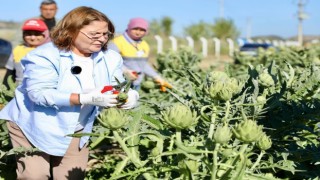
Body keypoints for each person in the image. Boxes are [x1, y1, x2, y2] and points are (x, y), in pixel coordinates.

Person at [0, 6, 139, 180]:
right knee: (35, 175)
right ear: (71, 31)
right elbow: (39, 93)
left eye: (106, 34)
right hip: (34, 123)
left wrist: (128, 97)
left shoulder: (111, 58)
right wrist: (85, 98)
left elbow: (114, 87)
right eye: (95, 34)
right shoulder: (44, 55)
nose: (102, 39)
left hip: (76, 127)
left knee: (71, 176)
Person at [109, 17, 172, 91]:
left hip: (136, 83)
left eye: (142, 30)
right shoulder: (116, 42)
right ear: (129, 28)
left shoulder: (144, 44)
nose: (138, 32)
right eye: (135, 29)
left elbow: (143, 65)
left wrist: (157, 77)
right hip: (119, 84)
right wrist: (125, 71)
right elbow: (111, 61)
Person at [2, 18, 50, 89]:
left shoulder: (51, 50)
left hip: (43, 93)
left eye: (37, 34)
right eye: (28, 34)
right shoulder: (18, 49)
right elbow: (9, 74)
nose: (33, 38)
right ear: (23, 35)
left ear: (45, 35)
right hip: (20, 93)